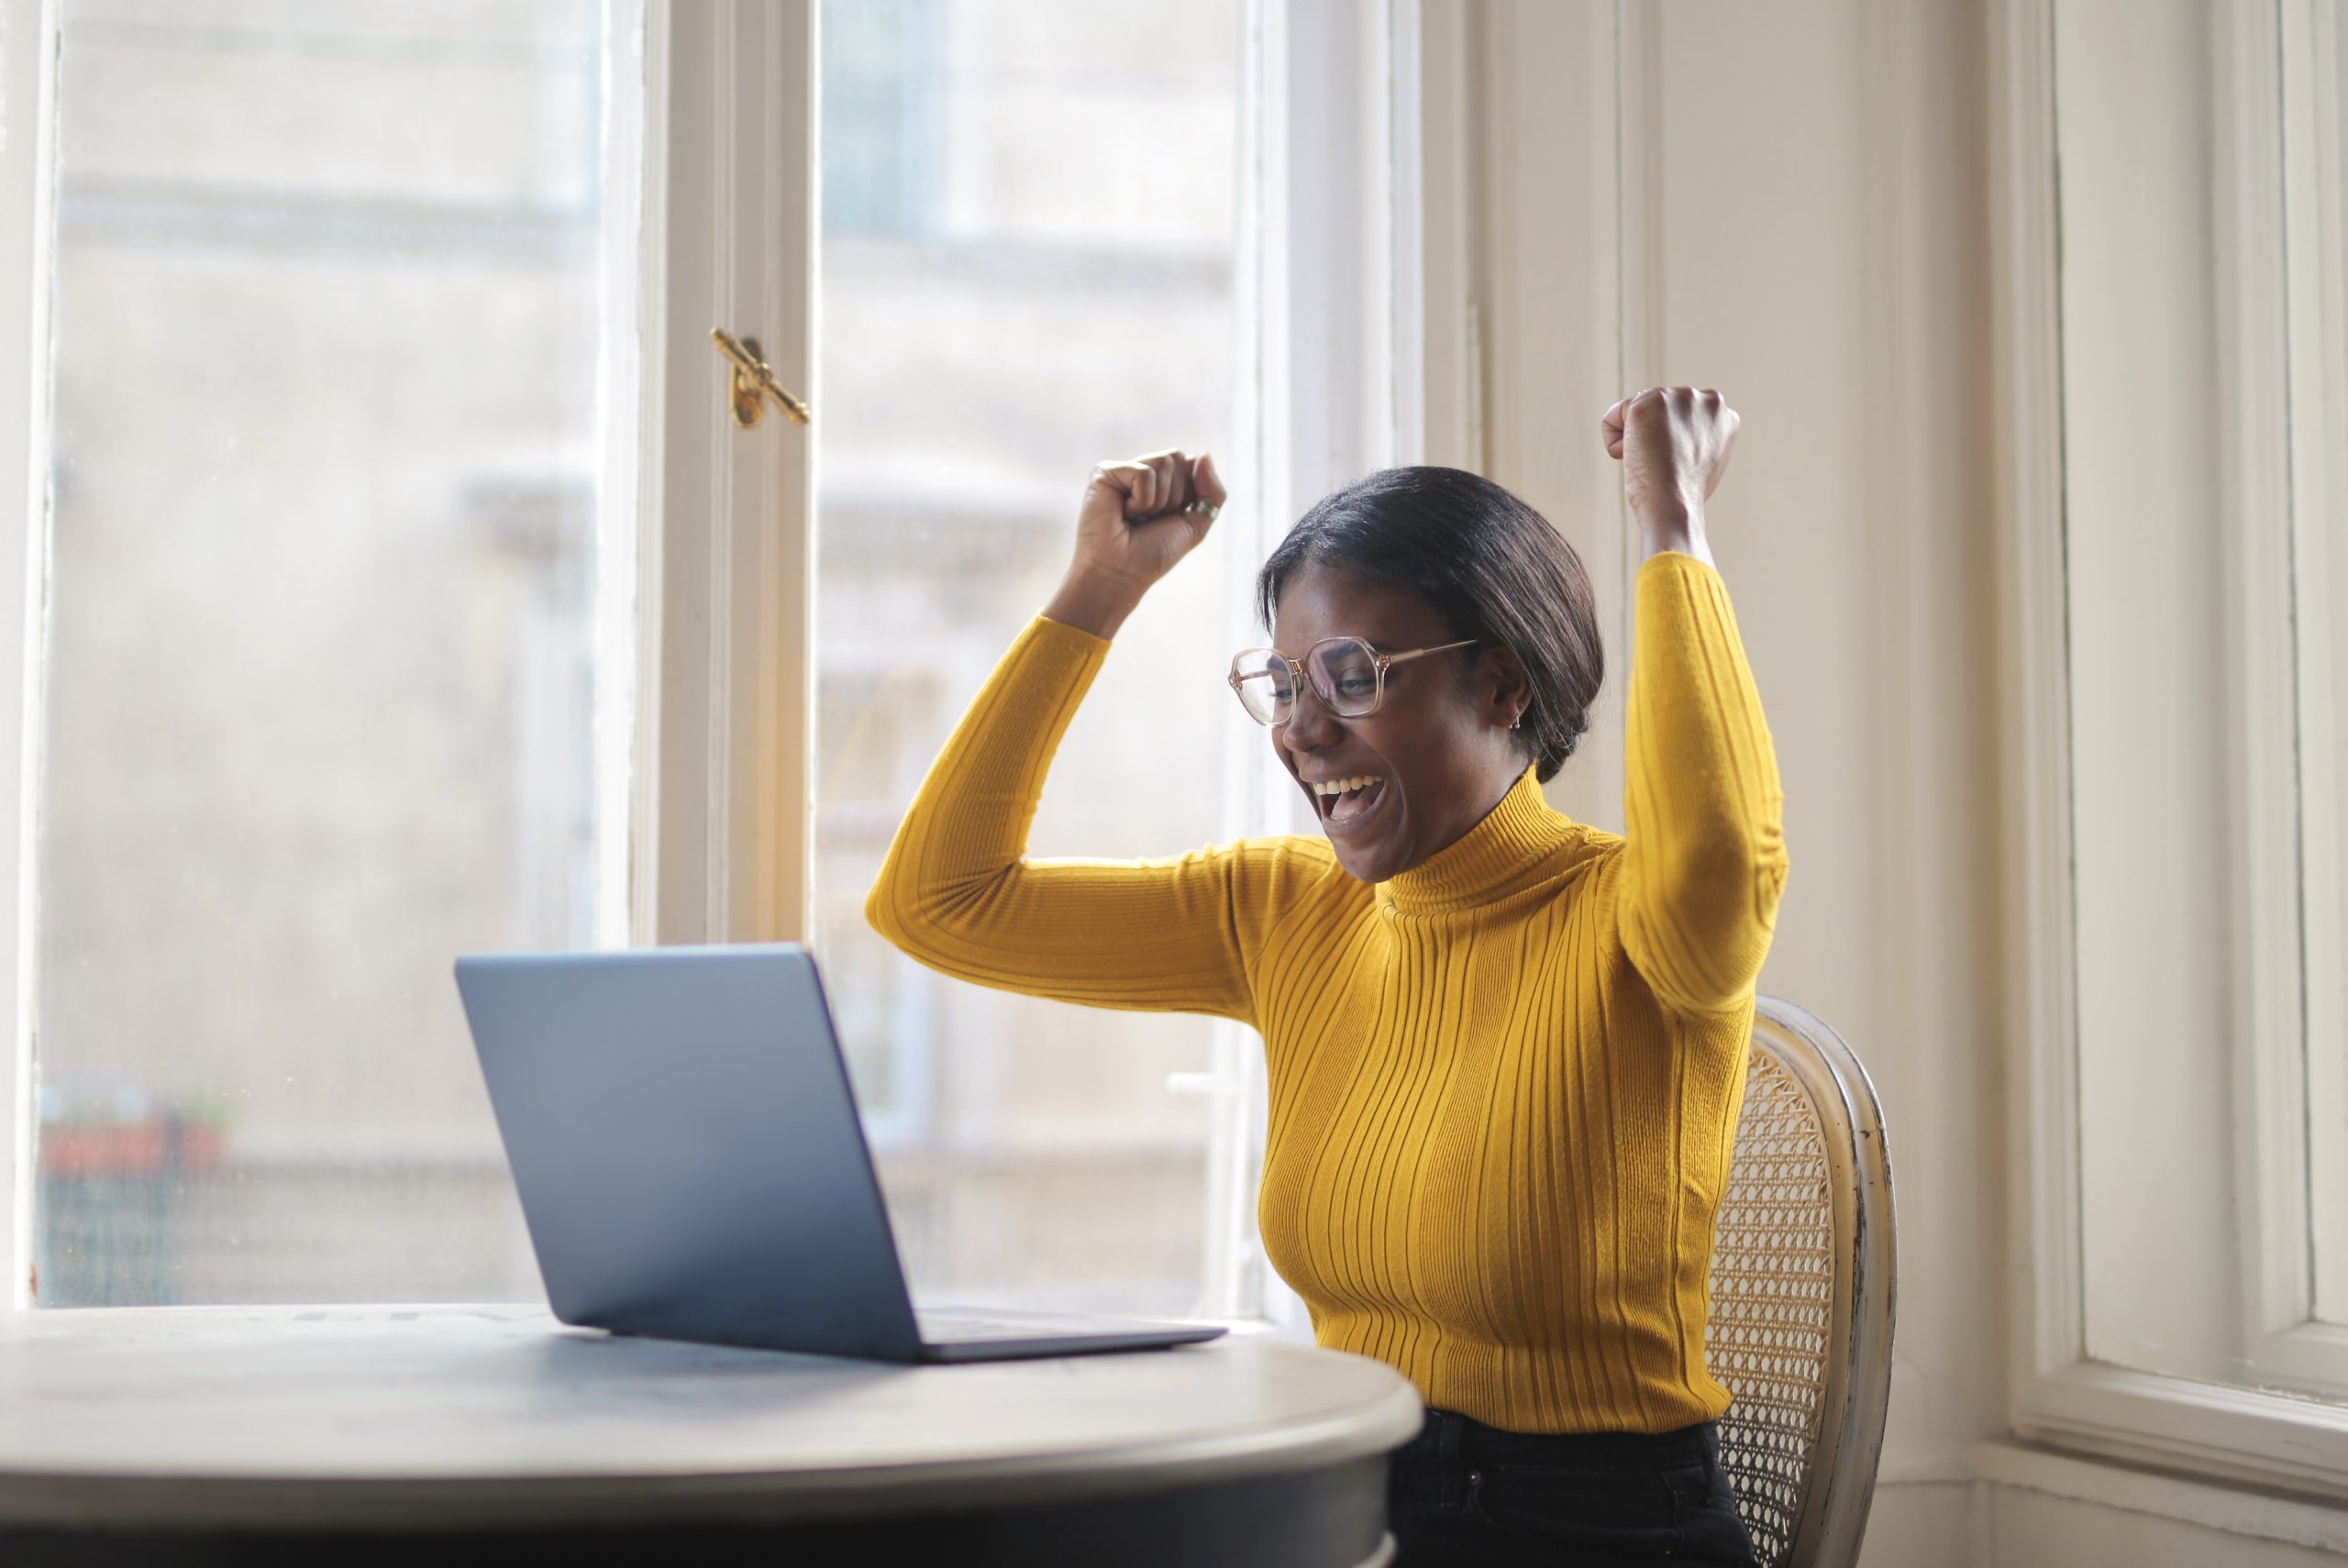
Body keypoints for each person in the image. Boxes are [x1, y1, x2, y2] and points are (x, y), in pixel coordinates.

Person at [866, 386, 1783, 1566]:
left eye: (1353, 675)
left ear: (1504, 686)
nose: (1302, 729)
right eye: (1286, 685)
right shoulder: (1284, 911)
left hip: (1582, 1526)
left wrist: (1672, 523)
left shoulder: (1639, 919)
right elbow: (939, 903)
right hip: (1343, 1493)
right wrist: (1099, 591)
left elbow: (1720, 851)